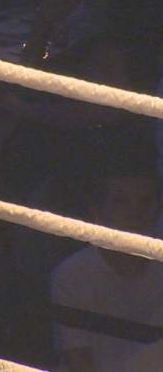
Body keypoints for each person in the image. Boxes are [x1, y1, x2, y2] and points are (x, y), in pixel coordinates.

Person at [50, 149, 163, 372]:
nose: (136, 214)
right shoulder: (72, 276)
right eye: (121, 202)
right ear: (97, 212)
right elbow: (79, 363)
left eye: (145, 202)